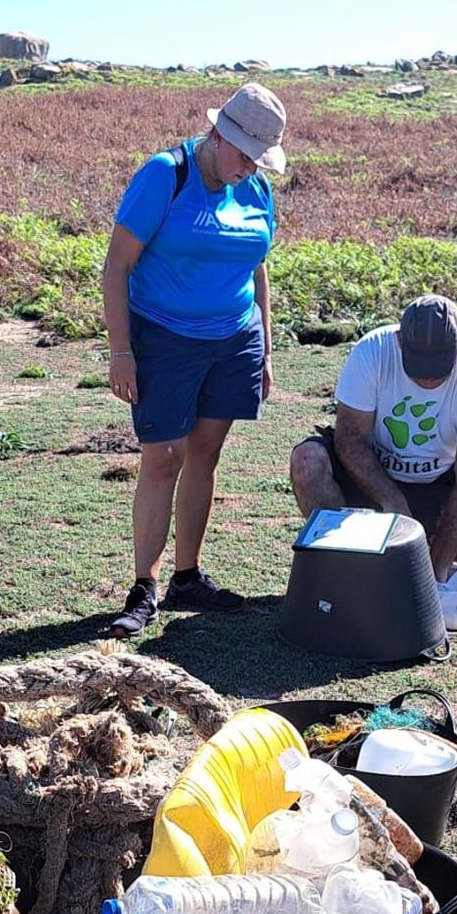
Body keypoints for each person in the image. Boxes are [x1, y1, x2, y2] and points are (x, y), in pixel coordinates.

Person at [101, 83, 286, 638]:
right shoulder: (166, 175)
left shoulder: (255, 189)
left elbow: (258, 269)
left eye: (259, 159)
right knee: (163, 457)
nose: (250, 168)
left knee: (205, 452)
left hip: (234, 338)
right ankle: (144, 587)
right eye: (244, 155)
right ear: (218, 134)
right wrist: (121, 351)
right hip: (165, 337)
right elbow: (116, 268)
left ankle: (188, 576)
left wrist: (267, 349)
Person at [289, 295, 457, 632]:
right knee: (307, 461)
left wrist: (429, 581)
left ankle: (433, 566)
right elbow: (349, 439)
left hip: (439, 484)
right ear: (398, 340)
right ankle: (344, 569)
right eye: (418, 365)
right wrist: (390, 498)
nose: (428, 380)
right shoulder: (372, 351)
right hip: (370, 477)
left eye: (438, 366)